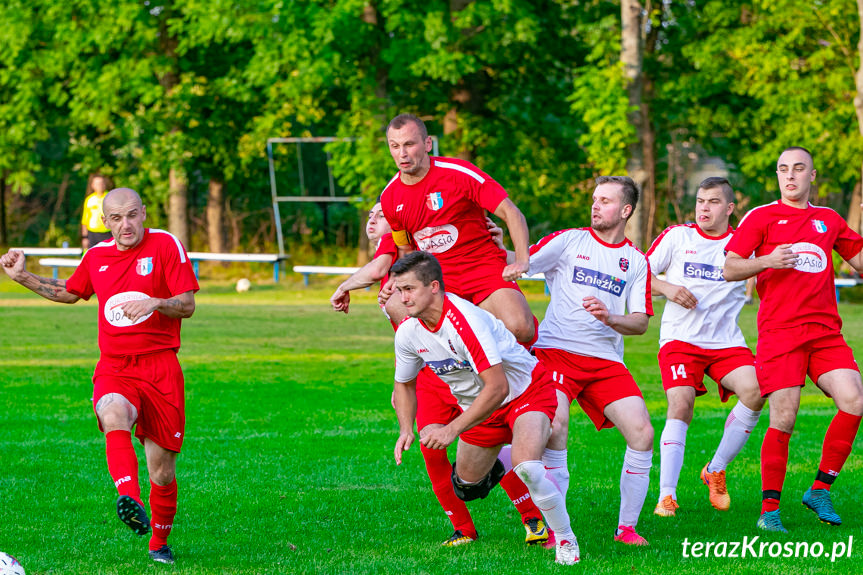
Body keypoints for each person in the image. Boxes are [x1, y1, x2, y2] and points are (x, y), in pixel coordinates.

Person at [331, 202, 551, 547]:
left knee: (501, 444)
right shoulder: (402, 262)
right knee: (434, 453)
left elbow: (378, 269)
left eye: (381, 214)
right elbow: (403, 346)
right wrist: (402, 395)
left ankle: (533, 517)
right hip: (431, 374)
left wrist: (345, 286)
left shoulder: (403, 252)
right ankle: (463, 528)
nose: (374, 219)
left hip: (467, 368)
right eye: (371, 215)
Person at [1, 188, 199, 564]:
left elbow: (187, 305)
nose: (126, 225)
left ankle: (158, 543)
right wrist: (22, 276)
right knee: (113, 415)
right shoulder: (96, 256)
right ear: (105, 222)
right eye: (116, 218)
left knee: (162, 471)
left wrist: (156, 302)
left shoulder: (166, 246)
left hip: (160, 367)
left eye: (132, 215)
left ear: (144, 213)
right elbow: (71, 292)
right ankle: (129, 496)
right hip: (115, 365)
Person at [390, 251, 580, 565]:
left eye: (409, 289)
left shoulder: (465, 321)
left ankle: (565, 541)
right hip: (482, 409)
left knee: (528, 467)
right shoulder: (409, 332)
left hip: (525, 392)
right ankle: (522, 453)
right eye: (398, 290)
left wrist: (452, 429)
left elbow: (498, 386)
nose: (402, 298)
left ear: (434, 287)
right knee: (466, 487)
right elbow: (405, 383)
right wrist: (405, 429)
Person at [724, 147, 863, 532]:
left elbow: (860, 260)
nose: (790, 176)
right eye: (784, 169)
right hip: (780, 333)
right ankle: (770, 512)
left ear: (812, 176)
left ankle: (820, 489)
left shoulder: (829, 219)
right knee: (784, 419)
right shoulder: (762, 217)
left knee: (854, 400)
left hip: (825, 333)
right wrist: (766, 261)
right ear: (777, 175)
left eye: (799, 169)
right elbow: (730, 267)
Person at [524, 176, 654, 545]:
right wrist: (502, 248)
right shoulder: (569, 240)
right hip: (557, 352)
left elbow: (641, 322)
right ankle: (555, 531)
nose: (596, 206)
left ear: (626, 210)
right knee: (556, 425)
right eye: (595, 199)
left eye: (606, 201)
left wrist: (611, 318)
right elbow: (523, 262)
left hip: (605, 361)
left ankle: (626, 529)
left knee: (643, 433)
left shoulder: (636, 261)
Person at [646, 177, 764, 518]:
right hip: (680, 340)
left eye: (712, 202)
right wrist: (667, 288)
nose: (703, 208)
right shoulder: (677, 236)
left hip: (726, 341)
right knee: (680, 404)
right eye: (700, 201)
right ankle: (666, 496)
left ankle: (715, 468)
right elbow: (639, 275)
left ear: (729, 209)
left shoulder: (743, 245)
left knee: (755, 392)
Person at [378, 113, 536, 344]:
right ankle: (447, 369)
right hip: (438, 278)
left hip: (482, 266)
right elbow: (406, 251)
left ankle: (507, 362)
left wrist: (521, 260)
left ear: (427, 144)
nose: (402, 153)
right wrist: (398, 278)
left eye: (409, 144)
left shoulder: (459, 173)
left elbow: (512, 213)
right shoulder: (390, 197)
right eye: (395, 146)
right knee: (394, 305)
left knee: (520, 328)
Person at [81, 174, 113, 250]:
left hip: (108, 233)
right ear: (93, 185)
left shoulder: (110, 197)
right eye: (97, 184)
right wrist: (85, 237)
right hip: (93, 234)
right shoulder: (89, 199)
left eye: (101, 183)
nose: (100, 186)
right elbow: (85, 220)